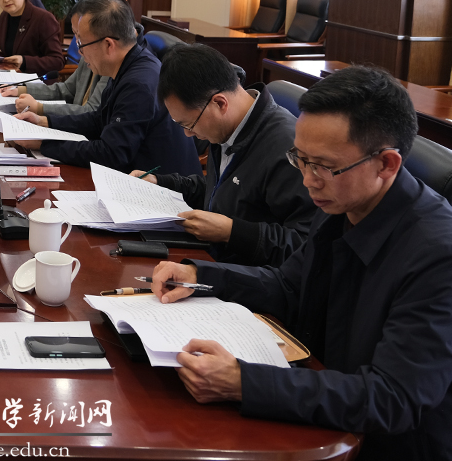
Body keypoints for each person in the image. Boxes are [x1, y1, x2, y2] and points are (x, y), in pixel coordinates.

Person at [150, 66, 452, 459]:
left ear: (387, 164)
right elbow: (290, 285)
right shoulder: (342, 202)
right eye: (301, 159)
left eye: (323, 166)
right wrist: (200, 275)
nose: (309, 180)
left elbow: (392, 398)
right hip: (319, 396)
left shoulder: (437, 255)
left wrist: (244, 383)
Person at [131, 44, 315, 266]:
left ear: (219, 103)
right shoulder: (226, 127)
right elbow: (221, 191)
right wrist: (160, 182)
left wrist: (231, 232)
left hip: (250, 274)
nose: (188, 134)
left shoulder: (288, 150)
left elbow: (304, 246)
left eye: (189, 124)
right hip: (215, 258)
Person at [15, 0, 201, 175]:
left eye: (81, 44)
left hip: (161, 189)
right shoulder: (129, 63)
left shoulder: (138, 83)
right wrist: (44, 122)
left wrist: (44, 144)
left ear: (108, 45)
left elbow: (112, 154)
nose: (79, 52)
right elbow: (99, 120)